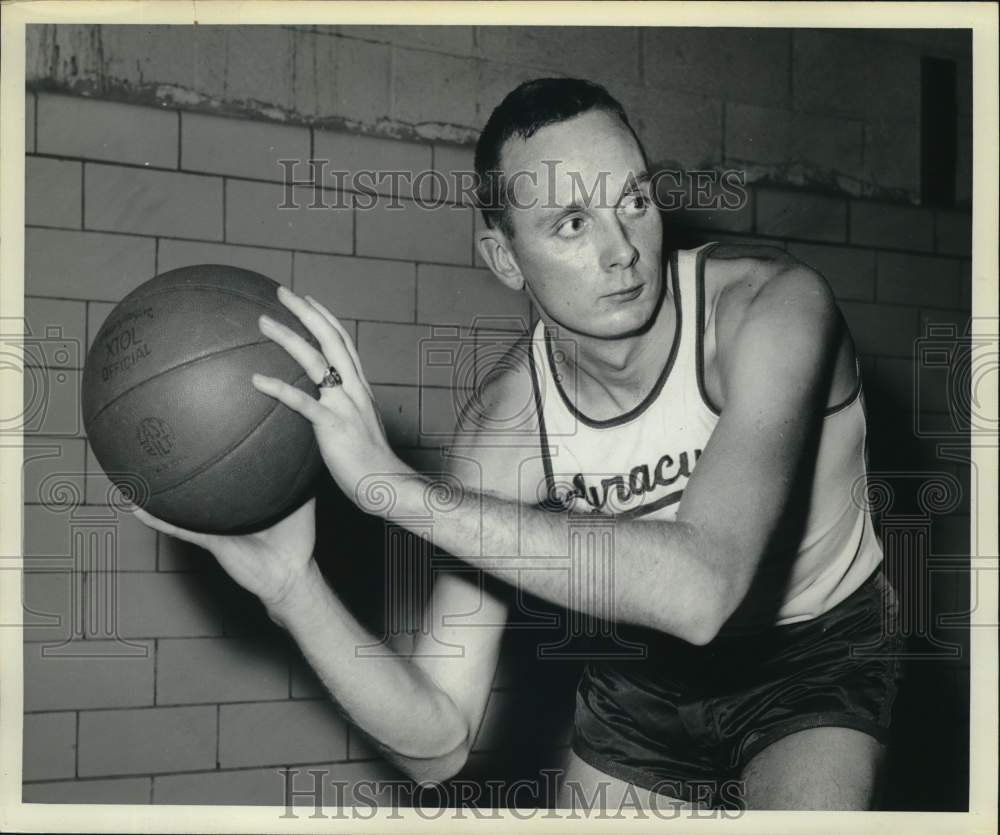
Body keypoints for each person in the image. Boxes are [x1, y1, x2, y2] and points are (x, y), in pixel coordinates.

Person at [133, 78, 902, 811]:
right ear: (505, 259)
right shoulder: (508, 424)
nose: (622, 249)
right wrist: (295, 593)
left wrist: (391, 486)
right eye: (571, 222)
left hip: (814, 654)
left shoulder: (772, 309)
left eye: (633, 199)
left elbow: (702, 589)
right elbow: (437, 741)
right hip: (644, 676)